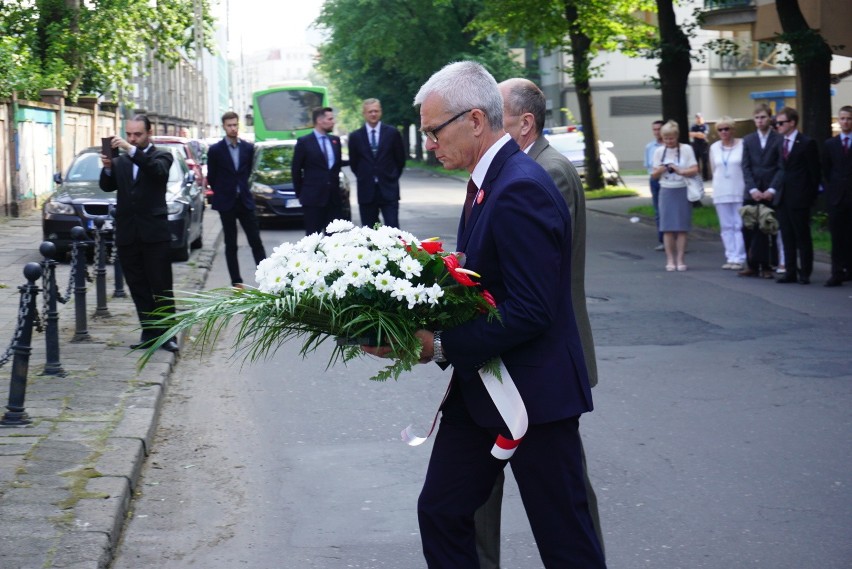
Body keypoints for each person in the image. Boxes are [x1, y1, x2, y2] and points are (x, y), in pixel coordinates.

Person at [366, 61, 606, 569]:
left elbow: (531, 308)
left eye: (434, 130)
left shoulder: (519, 185)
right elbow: (485, 285)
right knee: (442, 510)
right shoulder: (486, 181)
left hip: (533, 397)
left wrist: (441, 345)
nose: (429, 142)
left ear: (475, 120)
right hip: (484, 390)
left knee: (565, 538)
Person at [467, 77, 604, 569]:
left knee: (562, 500)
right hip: (503, 355)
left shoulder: (546, 171)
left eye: (494, 112)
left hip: (537, 357)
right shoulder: (504, 172)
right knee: (478, 490)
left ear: (524, 122)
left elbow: (535, 280)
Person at [99, 114, 179, 353]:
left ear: (149, 133)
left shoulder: (162, 155)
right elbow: (107, 186)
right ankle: (149, 332)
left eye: (138, 134)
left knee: (161, 286)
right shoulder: (122, 161)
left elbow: (157, 172)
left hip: (155, 234)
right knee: (138, 286)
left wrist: (130, 149)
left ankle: (167, 334)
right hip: (128, 234)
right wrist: (107, 169)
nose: (132, 138)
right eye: (129, 134)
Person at [206, 111, 267, 288]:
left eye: (235, 125)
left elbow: (248, 172)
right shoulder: (216, 150)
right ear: (224, 127)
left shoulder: (248, 148)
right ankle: (236, 281)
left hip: (245, 201)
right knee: (230, 243)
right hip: (226, 202)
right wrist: (224, 192)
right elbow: (212, 176)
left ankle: (265, 276)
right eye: (229, 125)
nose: (233, 128)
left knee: (255, 240)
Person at [774, 107, 820, 284]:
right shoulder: (780, 142)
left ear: (792, 123)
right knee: (787, 235)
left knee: (802, 235)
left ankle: (805, 272)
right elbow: (780, 168)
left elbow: (814, 173)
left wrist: (810, 196)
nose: (778, 126)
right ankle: (790, 270)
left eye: (781, 123)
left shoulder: (807, 143)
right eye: (777, 123)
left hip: (800, 196)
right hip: (783, 196)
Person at [740, 103, 784, 279]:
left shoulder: (778, 139)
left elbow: (781, 167)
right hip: (752, 191)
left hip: (770, 190)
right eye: (757, 117)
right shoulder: (748, 140)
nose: (760, 120)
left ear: (770, 118)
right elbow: (745, 166)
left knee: (768, 227)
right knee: (749, 227)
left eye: (763, 117)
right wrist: (752, 189)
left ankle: (767, 265)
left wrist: (772, 189)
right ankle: (752, 264)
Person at [348, 98, 407, 228]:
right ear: (364, 114)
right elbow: (354, 163)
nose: (373, 114)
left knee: (393, 230)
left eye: (376, 111)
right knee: (369, 233)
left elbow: (400, 160)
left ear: (380, 112)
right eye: (370, 112)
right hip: (366, 191)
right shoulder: (355, 136)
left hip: (389, 189)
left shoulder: (392, 133)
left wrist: (391, 176)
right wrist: (366, 176)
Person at [651, 120, 699, 272]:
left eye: (671, 138)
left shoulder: (686, 149)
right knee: (667, 228)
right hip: (666, 190)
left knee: (681, 227)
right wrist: (662, 169)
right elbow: (654, 175)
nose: (669, 141)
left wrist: (679, 170)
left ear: (677, 136)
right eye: (666, 138)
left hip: (682, 188)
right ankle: (670, 260)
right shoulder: (659, 151)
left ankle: (680, 259)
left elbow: (695, 169)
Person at [291, 107, 345, 235]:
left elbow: (336, 167)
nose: (333, 121)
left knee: (336, 239)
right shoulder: (304, 142)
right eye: (330, 118)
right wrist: (301, 194)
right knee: (313, 239)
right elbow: (296, 170)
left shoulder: (335, 141)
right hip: (312, 199)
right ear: (320, 121)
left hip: (333, 199)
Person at [708, 116, 746, 271]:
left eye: (726, 128)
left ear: (733, 129)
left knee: (739, 225)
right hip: (721, 190)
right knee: (726, 226)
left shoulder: (742, 144)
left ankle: (740, 257)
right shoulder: (714, 147)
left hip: (739, 189)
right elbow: (713, 169)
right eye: (720, 129)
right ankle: (730, 256)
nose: (724, 132)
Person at [822, 104, 852, 287]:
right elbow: (826, 169)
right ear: (838, 121)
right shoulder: (830, 144)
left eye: (849, 118)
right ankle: (836, 272)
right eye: (842, 118)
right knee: (837, 236)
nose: (846, 122)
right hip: (837, 197)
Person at [645, 120, 665, 250]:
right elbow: (648, 166)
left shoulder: (671, 145)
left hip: (670, 181)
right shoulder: (650, 147)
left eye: (659, 129)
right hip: (655, 180)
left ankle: (674, 239)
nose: (657, 132)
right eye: (654, 129)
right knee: (658, 211)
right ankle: (663, 240)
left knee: (671, 211)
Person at [689, 112, 710, 181]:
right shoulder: (693, 126)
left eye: (699, 117)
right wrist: (698, 134)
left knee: (704, 162)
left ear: (702, 118)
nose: (698, 119)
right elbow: (689, 134)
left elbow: (704, 135)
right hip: (695, 146)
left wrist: (696, 134)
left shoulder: (705, 126)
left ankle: (705, 177)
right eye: (697, 118)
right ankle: (697, 177)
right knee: (696, 162)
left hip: (703, 146)